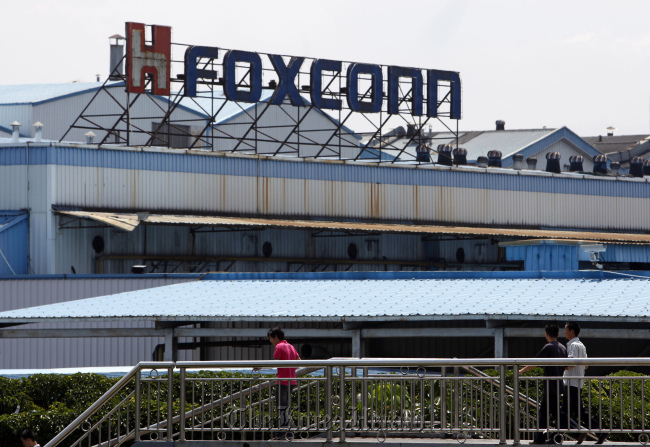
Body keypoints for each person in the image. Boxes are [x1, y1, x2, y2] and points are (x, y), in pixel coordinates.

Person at [519, 323, 569, 444]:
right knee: (545, 412)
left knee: (554, 413)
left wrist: (521, 371)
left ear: (546, 334)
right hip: (558, 384)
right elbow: (567, 366)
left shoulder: (548, 347)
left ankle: (574, 427)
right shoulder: (562, 348)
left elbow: (536, 362)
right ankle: (540, 438)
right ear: (558, 333)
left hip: (550, 385)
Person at [562, 322, 608, 445]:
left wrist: (559, 366)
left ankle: (585, 431)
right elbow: (586, 365)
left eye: (565, 330)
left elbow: (571, 362)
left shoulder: (573, 345)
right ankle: (561, 435)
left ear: (572, 331)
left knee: (566, 413)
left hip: (571, 382)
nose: (564, 332)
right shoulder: (581, 345)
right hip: (577, 383)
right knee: (568, 412)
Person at [268, 327, 300, 440]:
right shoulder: (291, 346)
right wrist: (290, 370)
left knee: (281, 408)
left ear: (275, 337)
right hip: (292, 381)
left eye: (270, 338)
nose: (270, 341)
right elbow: (299, 361)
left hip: (282, 381)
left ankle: (284, 434)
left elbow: (275, 363)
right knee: (284, 408)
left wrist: (260, 366)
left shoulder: (279, 346)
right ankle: (286, 433)